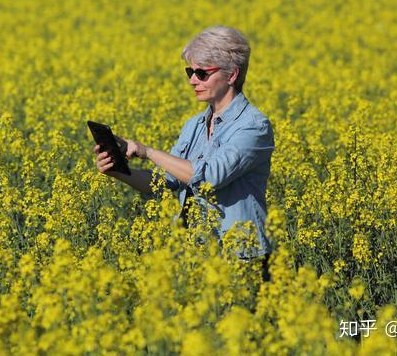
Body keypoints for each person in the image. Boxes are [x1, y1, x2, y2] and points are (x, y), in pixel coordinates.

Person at [93, 26, 274, 281]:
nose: (192, 80)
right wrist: (120, 171)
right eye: (191, 72)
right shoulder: (194, 126)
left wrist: (147, 151)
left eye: (202, 73)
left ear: (231, 75)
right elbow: (166, 182)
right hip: (197, 256)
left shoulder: (253, 126)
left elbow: (209, 177)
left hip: (240, 257)